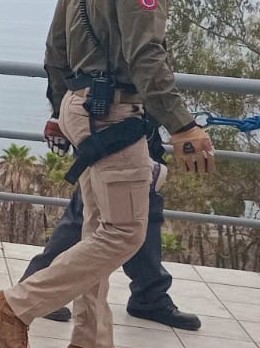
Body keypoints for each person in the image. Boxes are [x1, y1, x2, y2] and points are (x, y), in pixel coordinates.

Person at [0, 0, 216, 348]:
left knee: (97, 227)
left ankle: (90, 344)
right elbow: (147, 55)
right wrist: (182, 124)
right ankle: (15, 305)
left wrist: (62, 110)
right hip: (115, 113)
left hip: (82, 107)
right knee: (124, 233)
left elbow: (55, 48)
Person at [23, 129, 201, 330]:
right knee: (92, 212)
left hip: (137, 130)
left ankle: (149, 294)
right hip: (110, 128)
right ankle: (33, 289)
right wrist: (185, 127)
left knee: (143, 210)